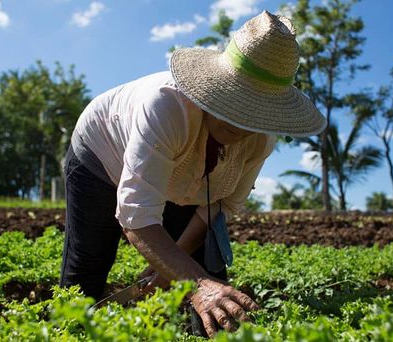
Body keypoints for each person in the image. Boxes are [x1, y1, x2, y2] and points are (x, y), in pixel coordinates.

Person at [60, 10, 325, 337]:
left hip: (180, 179)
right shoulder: (167, 106)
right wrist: (197, 284)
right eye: (235, 102)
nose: (241, 122)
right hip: (101, 155)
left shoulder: (261, 141)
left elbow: (218, 206)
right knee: (89, 263)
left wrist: (174, 271)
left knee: (209, 281)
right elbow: (136, 215)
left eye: (253, 112)